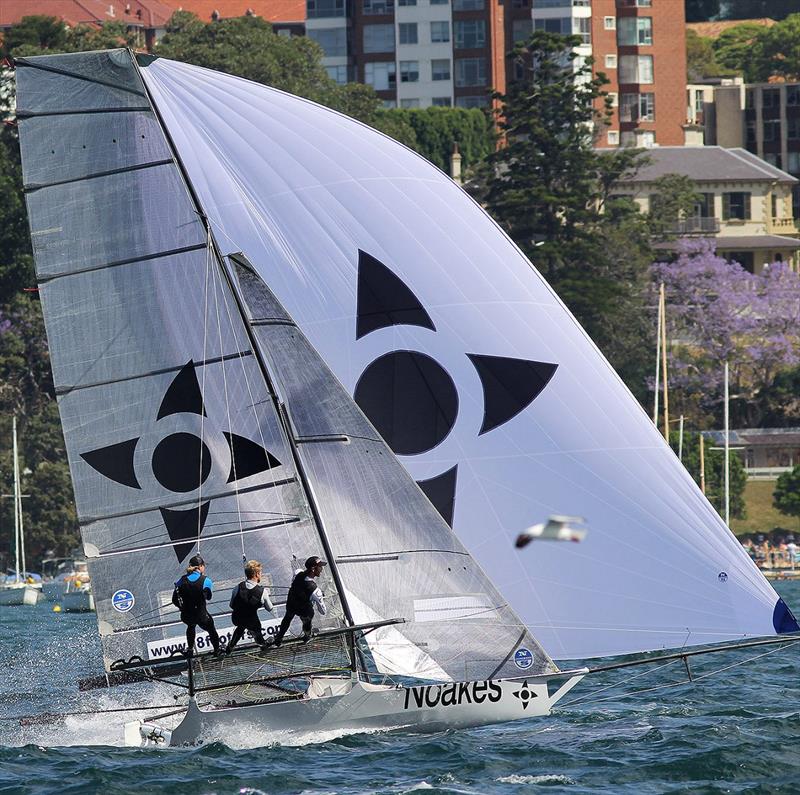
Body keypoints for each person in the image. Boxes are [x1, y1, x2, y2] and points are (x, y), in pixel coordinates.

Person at [268, 556, 327, 647]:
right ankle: (307, 635)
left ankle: (279, 638)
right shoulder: (315, 590)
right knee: (308, 619)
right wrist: (318, 598)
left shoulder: (298, 574)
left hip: (291, 604)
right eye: (320, 567)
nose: (322, 569)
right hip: (303, 610)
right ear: (313, 569)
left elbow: (297, 581)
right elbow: (323, 612)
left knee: (287, 619)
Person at [172, 554, 223, 657]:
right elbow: (208, 597)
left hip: (187, 616)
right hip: (202, 616)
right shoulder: (206, 580)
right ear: (200, 567)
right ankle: (217, 650)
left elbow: (174, 600)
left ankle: (190, 650)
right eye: (204, 565)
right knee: (211, 629)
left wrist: (182, 608)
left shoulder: (181, 580)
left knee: (191, 626)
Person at [226, 559, 275, 655]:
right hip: (251, 621)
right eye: (260, 573)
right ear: (256, 574)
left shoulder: (238, 587)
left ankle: (231, 646)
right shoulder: (262, 591)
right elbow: (270, 608)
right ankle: (262, 645)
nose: (261, 575)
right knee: (256, 630)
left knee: (241, 626)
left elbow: (231, 605)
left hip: (236, 618)